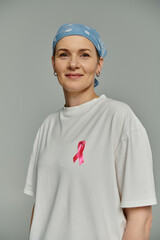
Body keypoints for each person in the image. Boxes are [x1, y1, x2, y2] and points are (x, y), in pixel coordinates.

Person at [23, 23, 157, 240]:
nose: (73, 64)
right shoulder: (47, 127)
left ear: (99, 64)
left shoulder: (119, 118)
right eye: (63, 54)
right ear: (53, 64)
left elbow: (141, 220)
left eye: (84, 55)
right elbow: (42, 210)